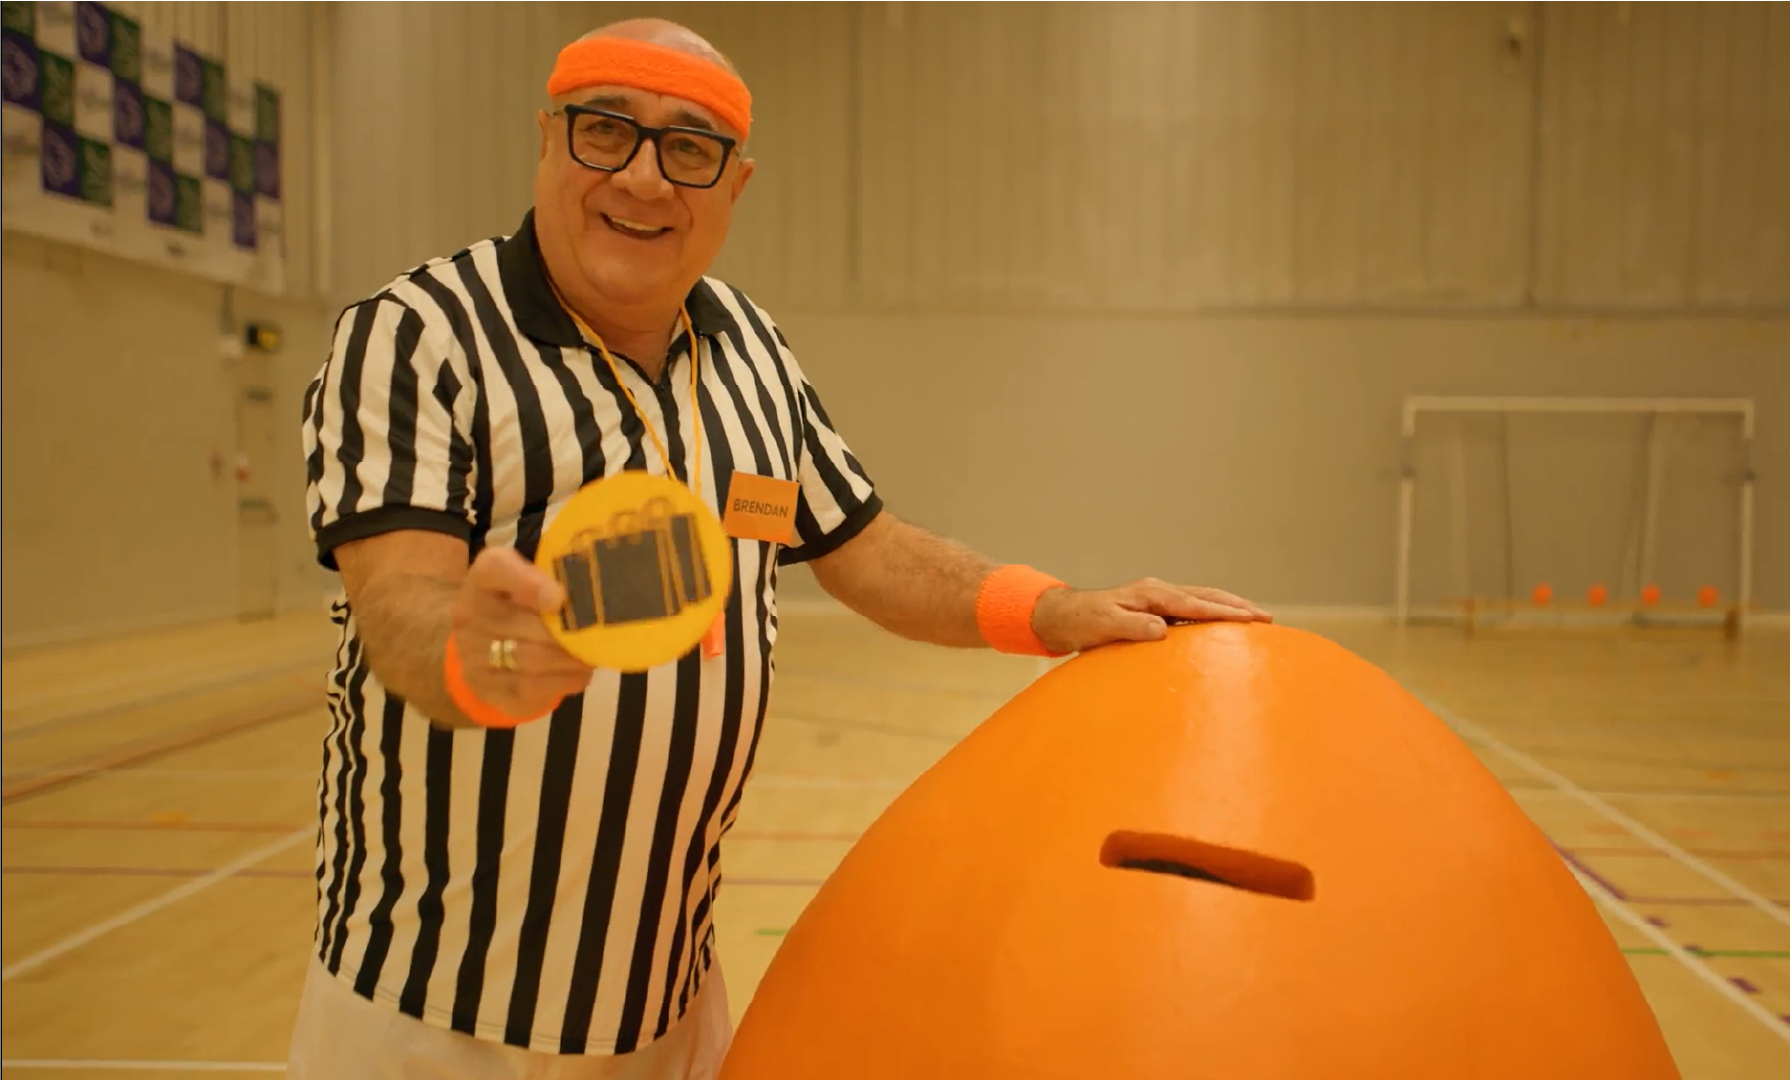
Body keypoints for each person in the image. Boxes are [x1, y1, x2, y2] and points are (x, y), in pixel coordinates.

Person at [290, 17, 1270, 1080]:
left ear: (736, 186)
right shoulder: (419, 335)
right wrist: (474, 657)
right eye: (605, 132)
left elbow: (870, 548)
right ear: (546, 138)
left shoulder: (751, 351)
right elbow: (398, 606)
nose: (645, 178)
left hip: (673, 1007)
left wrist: (1052, 610)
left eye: (690, 148)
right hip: (436, 1016)